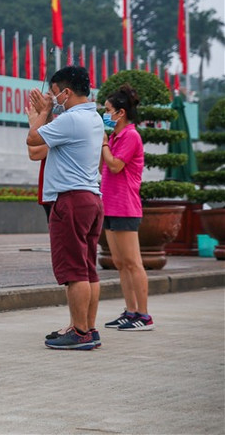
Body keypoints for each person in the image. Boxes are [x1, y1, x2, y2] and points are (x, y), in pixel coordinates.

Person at [26, 66, 104, 351]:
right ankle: (88, 328)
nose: (52, 97)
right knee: (88, 268)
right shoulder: (93, 117)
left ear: (66, 92)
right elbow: (38, 151)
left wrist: (43, 113)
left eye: (54, 93)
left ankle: (80, 332)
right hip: (91, 198)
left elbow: (33, 139)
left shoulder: (71, 119)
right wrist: (47, 113)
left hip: (70, 200)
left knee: (74, 271)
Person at [99, 84, 152, 331]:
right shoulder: (114, 137)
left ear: (120, 113)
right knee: (120, 262)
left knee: (133, 262)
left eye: (108, 110)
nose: (105, 114)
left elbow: (115, 166)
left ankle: (144, 315)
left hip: (125, 207)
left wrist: (103, 144)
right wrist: (104, 143)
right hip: (110, 206)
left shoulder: (131, 136)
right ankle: (130, 311)